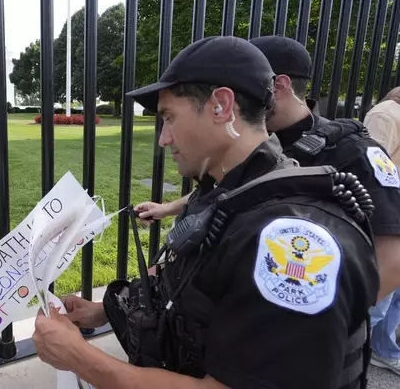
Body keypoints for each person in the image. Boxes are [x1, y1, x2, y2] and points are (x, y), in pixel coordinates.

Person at [32, 36, 379, 389]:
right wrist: (100, 311)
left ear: (221, 106)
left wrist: (79, 357)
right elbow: (188, 290)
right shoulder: (225, 192)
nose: (163, 139)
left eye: (169, 117)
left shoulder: (287, 239)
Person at [246, 35, 400, 301]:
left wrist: (321, 324)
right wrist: (172, 207)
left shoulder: (355, 150)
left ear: (279, 86)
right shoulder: (258, 140)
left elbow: (392, 261)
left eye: (244, 89)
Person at [362, 88, 400, 374]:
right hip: (388, 217)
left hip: (393, 213)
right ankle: (347, 354)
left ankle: (383, 348)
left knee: (393, 294)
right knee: (379, 300)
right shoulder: (386, 115)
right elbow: (372, 169)